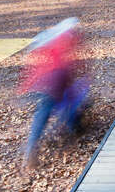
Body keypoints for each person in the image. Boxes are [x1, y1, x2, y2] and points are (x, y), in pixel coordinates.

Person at [19, 18, 89, 168]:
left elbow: (34, 67)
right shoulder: (68, 40)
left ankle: (32, 144)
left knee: (43, 112)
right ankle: (72, 129)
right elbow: (68, 66)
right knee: (69, 102)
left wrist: (25, 85)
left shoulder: (50, 41)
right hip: (57, 79)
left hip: (40, 83)